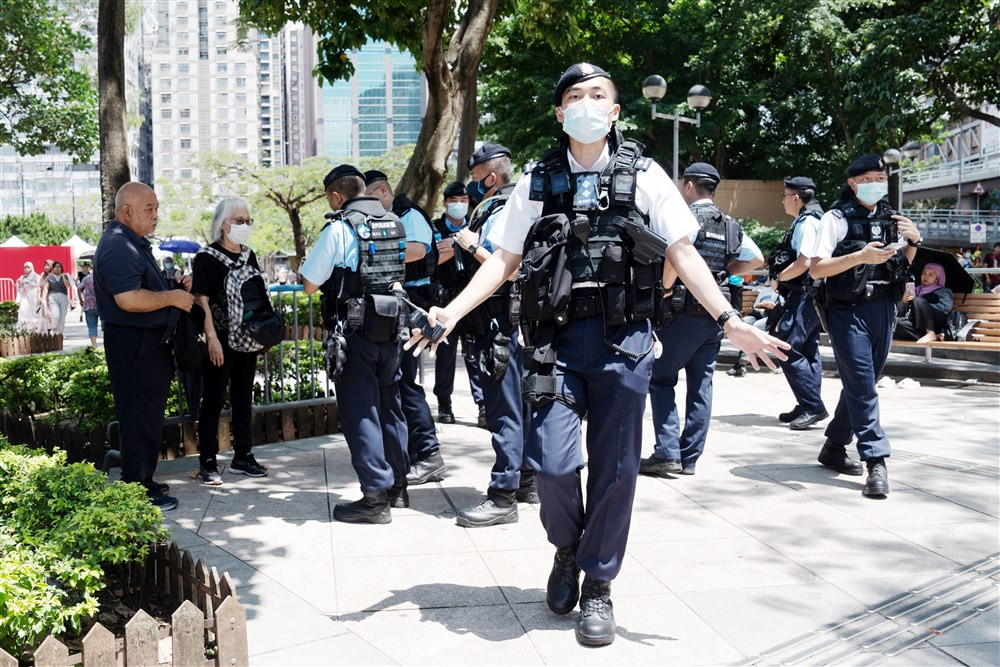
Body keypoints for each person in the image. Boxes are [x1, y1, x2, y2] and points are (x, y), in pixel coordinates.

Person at [404, 64, 787, 646]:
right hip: (554, 342)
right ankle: (567, 549)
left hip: (625, 341)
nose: (586, 102)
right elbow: (505, 259)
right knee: (554, 466)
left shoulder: (647, 174)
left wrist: (731, 321)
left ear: (614, 111)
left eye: (598, 95)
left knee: (615, 470)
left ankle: (599, 584)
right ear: (560, 113)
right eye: (574, 96)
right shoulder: (538, 177)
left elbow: (682, 253)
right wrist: (450, 312)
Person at [806, 153, 921, 495]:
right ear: (853, 183)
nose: (876, 185)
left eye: (880, 179)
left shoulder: (893, 219)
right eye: (868, 179)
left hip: (885, 308)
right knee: (862, 384)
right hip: (847, 310)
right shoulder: (835, 218)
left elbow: (902, 261)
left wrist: (914, 241)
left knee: (862, 382)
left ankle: (834, 448)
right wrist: (860, 256)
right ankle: (876, 460)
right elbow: (816, 269)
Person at [300, 165, 409, 523]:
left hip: (356, 332)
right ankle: (398, 487)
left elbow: (310, 284)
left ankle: (375, 497)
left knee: (361, 411)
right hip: (392, 329)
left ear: (335, 196)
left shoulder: (339, 228)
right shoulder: (394, 222)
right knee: (390, 406)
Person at [640, 163, 764, 477]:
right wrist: (720, 275)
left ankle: (667, 453)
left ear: (690, 186)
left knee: (661, 377)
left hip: (684, 310)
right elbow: (757, 258)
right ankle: (689, 457)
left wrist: (665, 291)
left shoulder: (686, 217)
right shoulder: (732, 224)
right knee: (701, 385)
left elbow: (675, 255)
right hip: (717, 313)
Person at [451, 143, 538, 528]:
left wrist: (472, 246)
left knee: (506, 410)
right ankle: (527, 480)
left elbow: (510, 268)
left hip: (500, 324)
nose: (469, 186)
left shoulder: (504, 209)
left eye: (473, 178)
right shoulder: (517, 205)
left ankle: (503, 494)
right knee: (523, 404)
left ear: (490, 176)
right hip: (513, 323)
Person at [94, 182, 195, 511]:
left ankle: (143, 479)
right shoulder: (118, 245)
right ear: (126, 212)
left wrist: (171, 285)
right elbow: (129, 299)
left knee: (146, 416)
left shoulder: (131, 243)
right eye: (148, 208)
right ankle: (137, 488)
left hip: (145, 343)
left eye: (156, 207)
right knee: (138, 416)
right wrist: (173, 297)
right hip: (133, 343)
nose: (156, 215)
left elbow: (142, 287)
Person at [363, 169, 447, 488]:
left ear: (383, 192)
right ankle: (413, 451)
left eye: (369, 198)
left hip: (412, 300)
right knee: (398, 381)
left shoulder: (409, 215)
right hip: (393, 303)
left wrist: (377, 248)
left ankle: (429, 454)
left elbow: (418, 250)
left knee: (406, 381)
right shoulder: (386, 218)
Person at [191, 197, 269, 486]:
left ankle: (242, 457)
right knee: (212, 400)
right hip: (220, 340)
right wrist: (211, 339)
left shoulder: (249, 255)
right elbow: (202, 301)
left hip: (246, 339)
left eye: (248, 221)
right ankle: (208, 462)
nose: (244, 225)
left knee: (242, 399)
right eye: (239, 221)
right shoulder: (206, 258)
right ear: (223, 224)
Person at [769, 176, 829, 430]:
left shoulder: (807, 223)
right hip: (813, 294)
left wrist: (778, 277)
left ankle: (813, 406)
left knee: (785, 346)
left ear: (795, 197)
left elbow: (805, 262)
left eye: (784, 196)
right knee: (807, 350)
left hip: (804, 293)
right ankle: (806, 403)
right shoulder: (816, 219)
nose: (783, 201)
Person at [430, 181, 487, 427]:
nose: (459, 206)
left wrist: (458, 247)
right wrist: (457, 248)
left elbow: (484, 256)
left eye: (463, 201)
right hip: (445, 299)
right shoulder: (434, 228)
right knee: (445, 354)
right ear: (445, 203)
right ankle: (444, 403)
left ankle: (483, 405)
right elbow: (431, 259)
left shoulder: (475, 226)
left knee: (475, 355)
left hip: (472, 298)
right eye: (454, 201)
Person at [727, 281, 783, 377]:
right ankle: (743, 360)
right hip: (758, 313)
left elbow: (782, 309)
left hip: (772, 318)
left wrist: (773, 307)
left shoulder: (782, 292)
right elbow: (756, 306)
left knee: (756, 326)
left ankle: (741, 363)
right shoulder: (765, 290)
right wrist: (762, 304)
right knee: (745, 321)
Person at [894, 263, 954, 343]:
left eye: (930, 275)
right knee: (897, 323)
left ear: (937, 279)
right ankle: (934, 336)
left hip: (935, 322)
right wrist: (904, 302)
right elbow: (899, 313)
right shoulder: (915, 290)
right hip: (917, 323)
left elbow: (946, 309)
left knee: (917, 300)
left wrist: (922, 306)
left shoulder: (944, 291)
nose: (926, 277)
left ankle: (930, 332)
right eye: (924, 273)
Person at [40, 261, 74, 335]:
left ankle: (60, 333)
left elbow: (67, 285)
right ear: (53, 268)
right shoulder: (49, 277)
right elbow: (46, 288)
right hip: (53, 297)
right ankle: (54, 331)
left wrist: (63, 276)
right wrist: (43, 299)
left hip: (63, 297)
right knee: (55, 315)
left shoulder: (65, 276)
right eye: (55, 267)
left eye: (59, 267)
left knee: (62, 318)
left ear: (61, 268)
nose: (57, 268)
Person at [16, 262, 45, 333]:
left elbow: (39, 287)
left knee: (34, 311)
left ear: (32, 267)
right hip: (26, 295)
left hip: (34, 295)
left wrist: (39, 297)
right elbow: (20, 289)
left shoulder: (36, 276)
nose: (26, 269)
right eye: (25, 267)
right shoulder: (22, 278)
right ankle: (24, 329)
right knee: (23, 310)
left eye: (28, 267)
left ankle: (36, 329)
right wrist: (18, 298)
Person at [79, 264, 99, 347]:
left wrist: (80, 300)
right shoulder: (104, 277)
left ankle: (94, 346)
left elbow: (79, 288)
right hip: (102, 305)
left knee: (92, 326)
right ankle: (107, 345)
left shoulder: (86, 278)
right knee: (107, 327)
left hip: (89, 305)